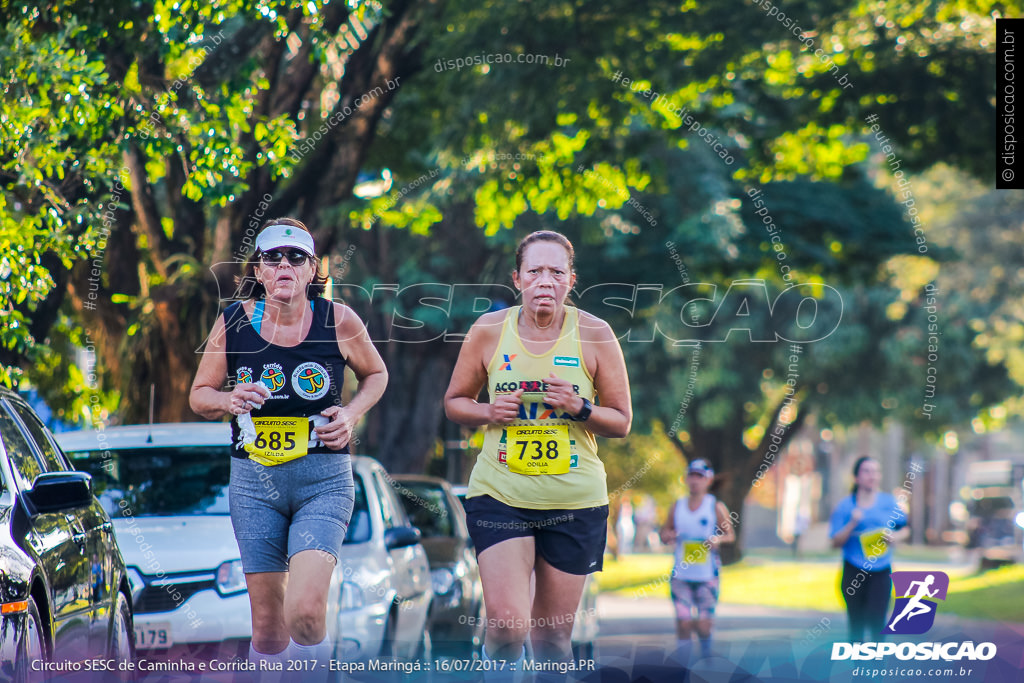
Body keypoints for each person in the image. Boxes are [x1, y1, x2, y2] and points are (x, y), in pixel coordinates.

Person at [190, 219, 387, 671]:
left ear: (312, 269)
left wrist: (351, 414)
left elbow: (377, 375)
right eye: (272, 257)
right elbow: (199, 395)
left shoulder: (338, 319)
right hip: (255, 483)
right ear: (258, 269)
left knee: (304, 613)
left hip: (323, 482)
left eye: (295, 257)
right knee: (268, 625)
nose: (284, 264)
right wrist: (228, 398)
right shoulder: (234, 322)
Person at [444, 230, 632, 668]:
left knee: (551, 640)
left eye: (556, 272)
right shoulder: (489, 330)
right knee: (508, 626)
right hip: (501, 494)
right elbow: (454, 403)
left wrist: (579, 406)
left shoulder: (596, 333)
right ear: (517, 279)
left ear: (571, 280)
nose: (545, 281)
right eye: (535, 271)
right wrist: (490, 412)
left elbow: (621, 421)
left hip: (574, 501)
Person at [659, 459, 735, 662]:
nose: (694, 480)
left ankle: (706, 658)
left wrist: (717, 538)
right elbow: (664, 531)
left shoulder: (715, 506)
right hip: (681, 575)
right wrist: (667, 535)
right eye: (691, 475)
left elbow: (730, 535)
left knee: (703, 625)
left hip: (707, 575)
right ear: (686, 478)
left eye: (699, 476)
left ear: (708, 480)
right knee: (683, 623)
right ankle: (684, 666)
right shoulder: (678, 506)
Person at [829, 455, 908, 641]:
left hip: (881, 572)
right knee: (856, 625)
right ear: (856, 477)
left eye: (875, 471)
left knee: (877, 625)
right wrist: (851, 524)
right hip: (853, 570)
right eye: (866, 471)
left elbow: (905, 528)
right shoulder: (845, 506)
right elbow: (834, 543)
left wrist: (895, 536)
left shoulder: (888, 502)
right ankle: (859, 668)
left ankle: (876, 668)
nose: (872, 475)